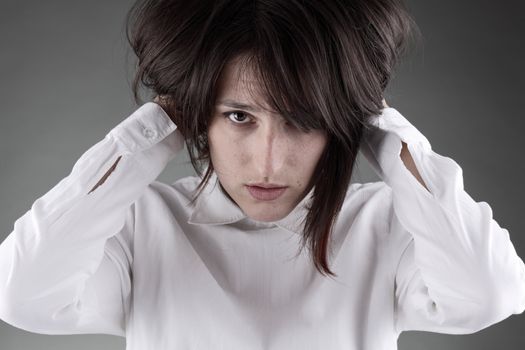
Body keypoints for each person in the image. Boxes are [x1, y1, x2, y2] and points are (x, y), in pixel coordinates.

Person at [0, 0, 524, 349]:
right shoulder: (140, 224)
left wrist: (384, 133)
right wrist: (152, 131)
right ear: (194, 114)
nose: (269, 163)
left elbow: (488, 296)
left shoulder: (387, 223)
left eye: (304, 119)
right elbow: (22, 297)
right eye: (239, 116)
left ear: (341, 123)